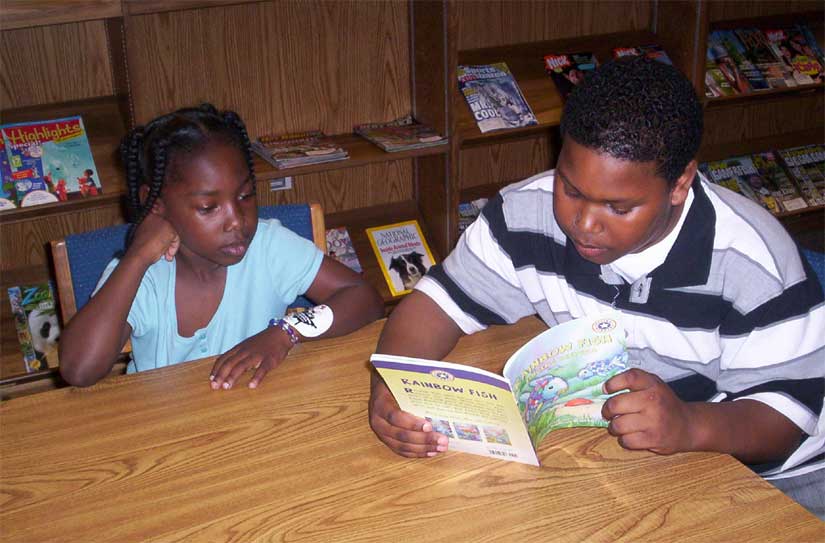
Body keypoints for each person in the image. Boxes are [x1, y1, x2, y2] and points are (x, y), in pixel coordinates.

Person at [368, 57, 824, 516]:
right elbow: (435, 305)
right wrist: (393, 388)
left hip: (781, 475)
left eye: (618, 208)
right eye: (570, 189)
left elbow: (787, 417)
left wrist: (690, 424)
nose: (583, 224)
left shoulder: (752, 262)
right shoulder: (523, 215)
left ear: (680, 184)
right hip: (646, 465)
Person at [59, 104, 383, 390]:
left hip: (251, 416)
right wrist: (138, 256)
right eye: (208, 207)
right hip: (163, 426)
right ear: (155, 203)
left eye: (245, 196)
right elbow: (80, 369)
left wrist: (287, 332)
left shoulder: (268, 247)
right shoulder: (143, 272)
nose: (237, 221)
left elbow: (363, 297)